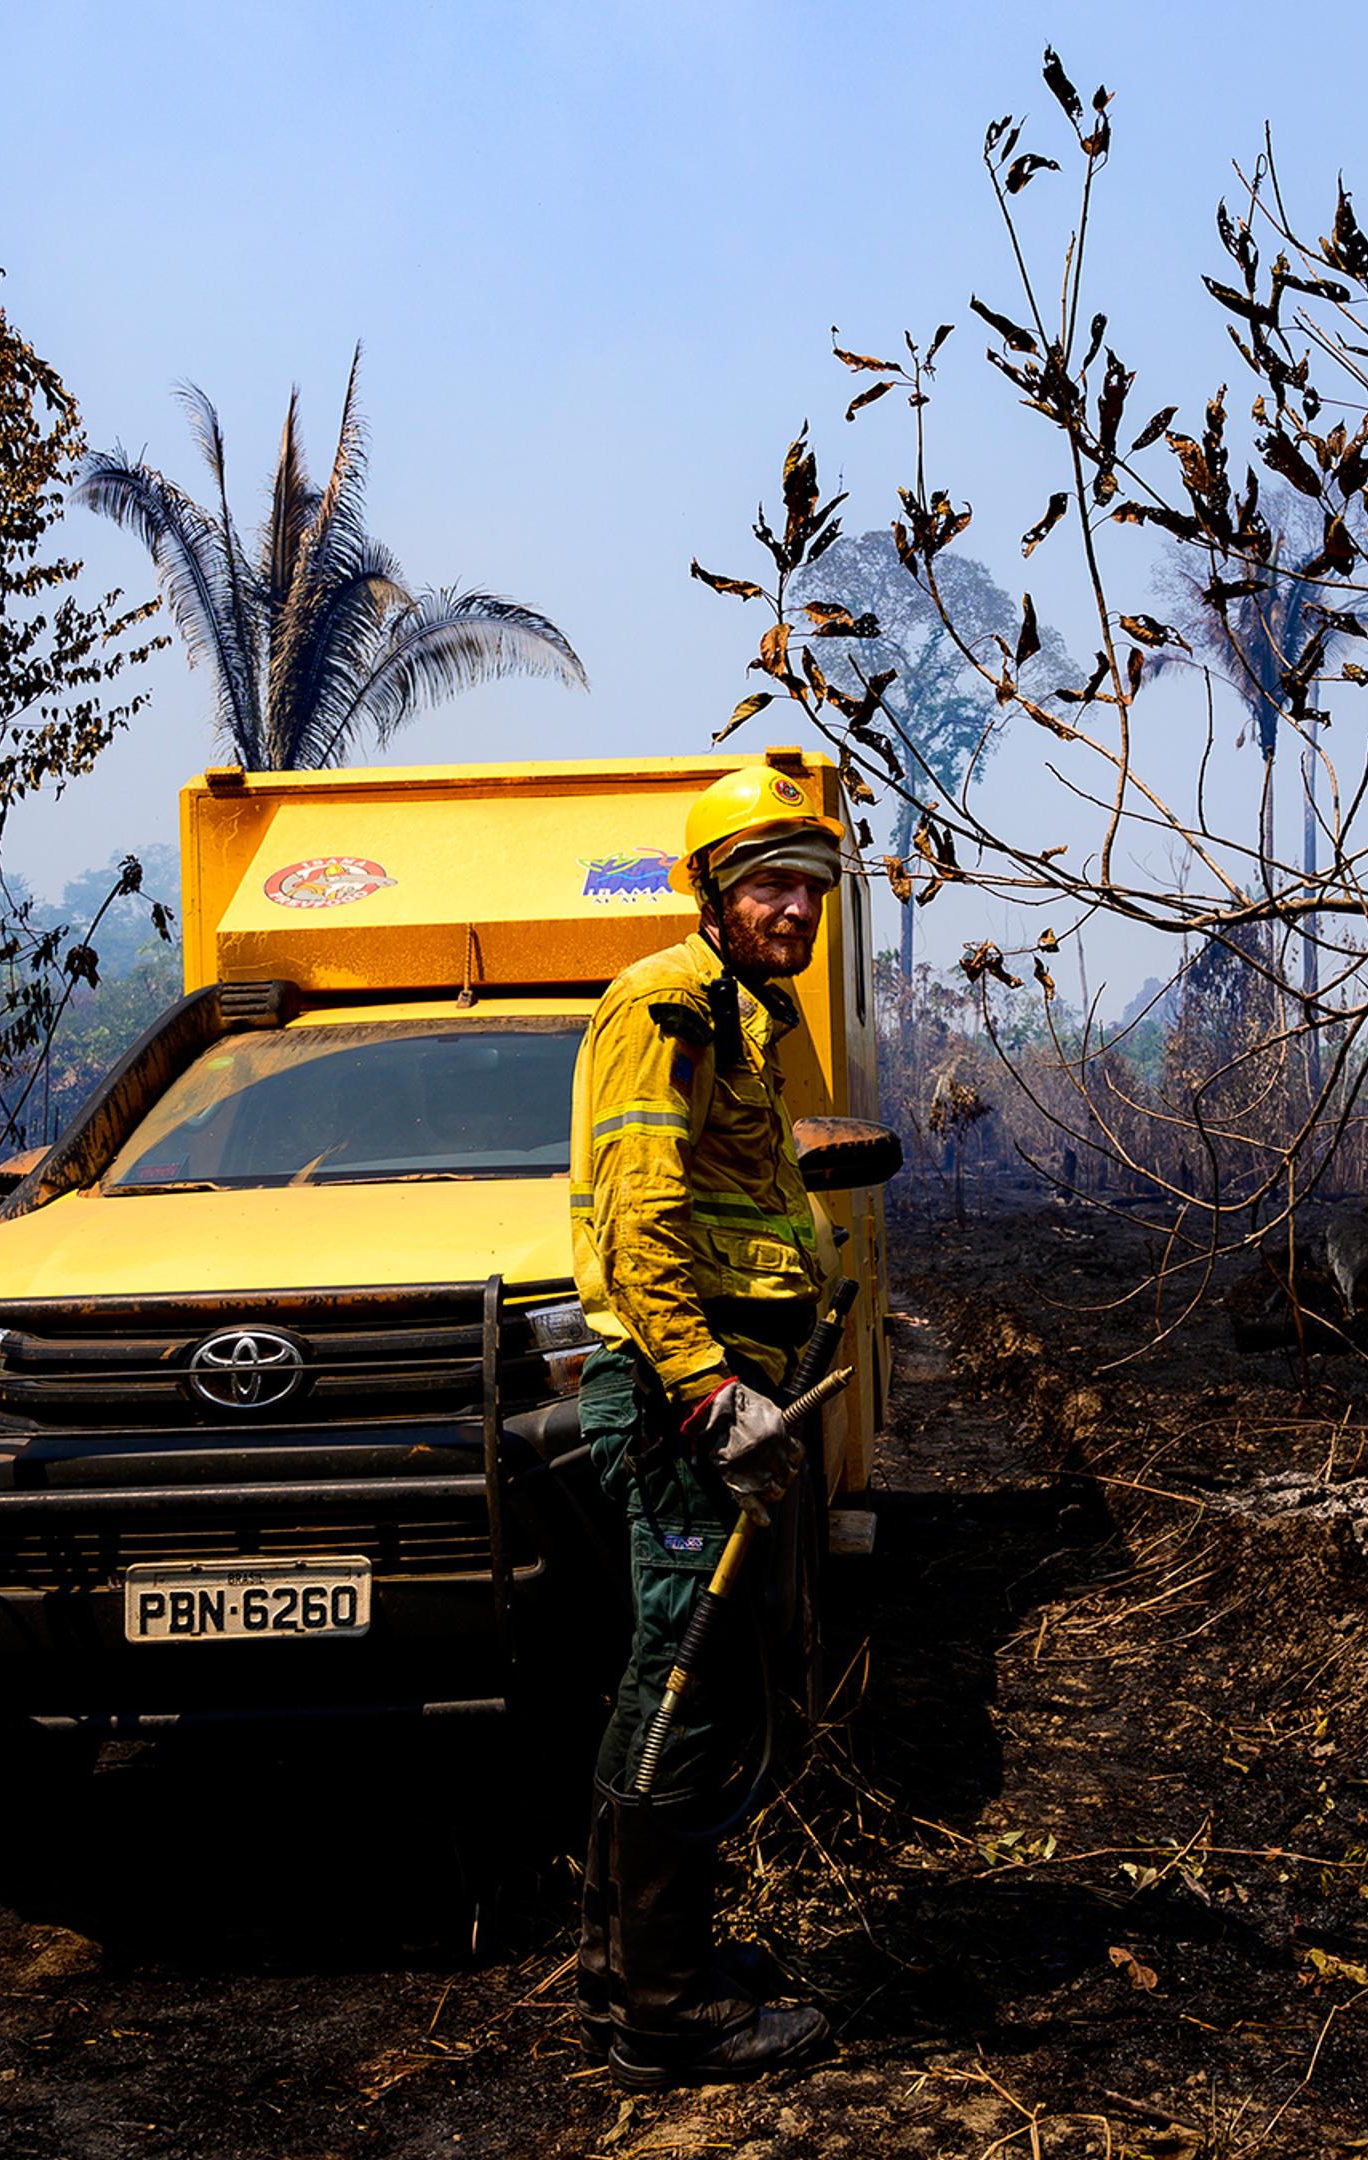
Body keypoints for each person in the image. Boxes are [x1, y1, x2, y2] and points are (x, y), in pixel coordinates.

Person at [566, 764, 844, 2087]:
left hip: (731, 1377)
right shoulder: (668, 1000)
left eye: (812, 885)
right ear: (712, 892)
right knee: (685, 1684)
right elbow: (643, 1213)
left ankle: (626, 1969)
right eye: (768, 883)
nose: (794, 906)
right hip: (698, 1393)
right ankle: (671, 2018)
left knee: (673, 1676)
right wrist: (703, 1386)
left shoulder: (744, 1012)